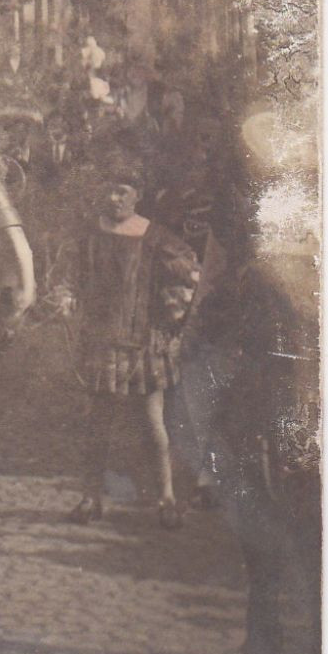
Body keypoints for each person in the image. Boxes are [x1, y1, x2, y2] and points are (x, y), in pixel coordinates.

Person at [59, 166, 201, 528]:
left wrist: (170, 317)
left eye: (122, 191)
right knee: (98, 425)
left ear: (138, 195)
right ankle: (91, 498)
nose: (114, 198)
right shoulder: (91, 235)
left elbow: (188, 275)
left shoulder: (156, 238)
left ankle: (165, 498)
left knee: (153, 425)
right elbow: (70, 274)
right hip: (102, 343)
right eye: (109, 190)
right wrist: (66, 295)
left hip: (143, 345)